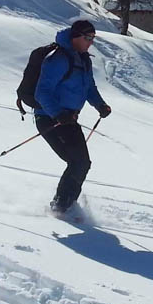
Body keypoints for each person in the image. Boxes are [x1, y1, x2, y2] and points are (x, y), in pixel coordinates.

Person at [33, 19, 112, 215]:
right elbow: (41, 92)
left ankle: (66, 205)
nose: (90, 42)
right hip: (50, 119)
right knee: (78, 162)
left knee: (82, 163)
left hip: (69, 119)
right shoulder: (58, 59)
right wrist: (58, 113)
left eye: (93, 38)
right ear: (75, 37)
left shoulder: (84, 60)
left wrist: (100, 105)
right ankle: (61, 206)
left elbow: (89, 88)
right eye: (87, 37)